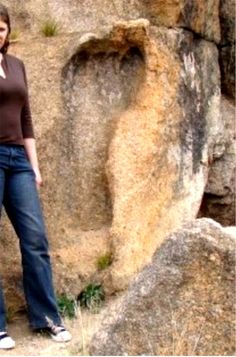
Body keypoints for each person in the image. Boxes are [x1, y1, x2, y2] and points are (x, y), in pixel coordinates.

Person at [0, 3, 71, 349]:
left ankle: (47, 319)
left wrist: (35, 166)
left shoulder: (18, 66)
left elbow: (26, 118)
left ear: (8, 32)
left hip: (18, 162)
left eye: (0, 28)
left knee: (35, 239)